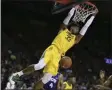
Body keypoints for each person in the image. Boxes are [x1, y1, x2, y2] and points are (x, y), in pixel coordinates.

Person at [8, 16, 94, 89]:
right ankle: (17, 74)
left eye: (78, 28)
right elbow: (67, 18)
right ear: (71, 27)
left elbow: (85, 28)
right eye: (76, 27)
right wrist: (73, 9)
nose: (78, 29)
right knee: (39, 66)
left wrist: (92, 17)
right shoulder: (63, 30)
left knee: (46, 79)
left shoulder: (75, 39)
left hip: (58, 57)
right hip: (53, 49)